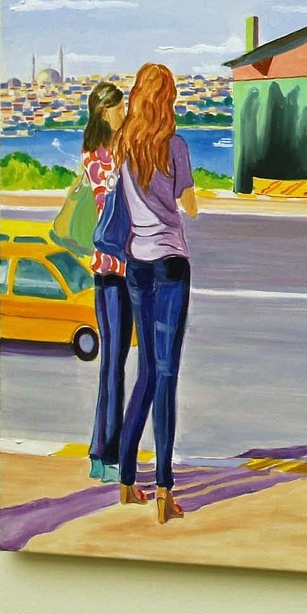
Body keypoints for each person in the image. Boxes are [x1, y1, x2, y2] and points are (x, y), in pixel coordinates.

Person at [113, 63, 198, 524]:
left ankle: (127, 480)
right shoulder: (175, 145)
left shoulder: (124, 144)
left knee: (145, 371)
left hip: (136, 266)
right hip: (170, 264)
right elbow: (190, 206)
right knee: (166, 375)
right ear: (167, 100)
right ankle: (164, 488)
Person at [82, 81, 129, 485]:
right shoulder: (106, 156)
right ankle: (105, 453)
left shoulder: (97, 153)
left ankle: (103, 453)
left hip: (112, 268)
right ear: (104, 111)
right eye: (118, 107)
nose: (124, 112)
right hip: (118, 269)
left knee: (114, 363)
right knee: (114, 364)